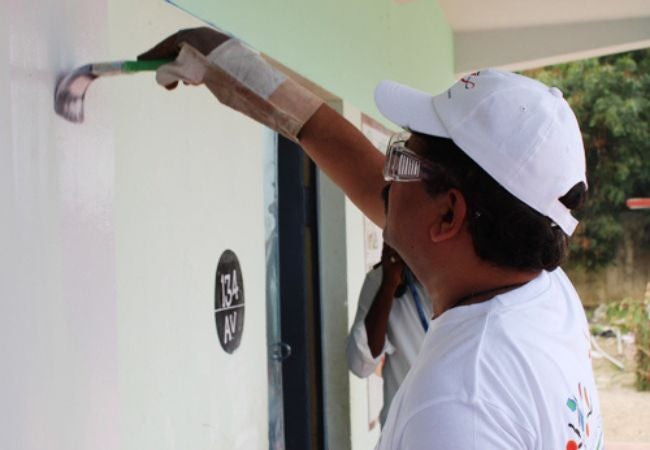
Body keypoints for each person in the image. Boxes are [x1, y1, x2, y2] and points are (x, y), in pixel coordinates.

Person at [139, 27, 604, 449]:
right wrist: (226, 60)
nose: (386, 175)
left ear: (447, 214)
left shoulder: (458, 410)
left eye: (402, 161)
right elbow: (346, 156)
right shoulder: (543, 292)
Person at [346, 243, 431, 426]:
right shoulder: (381, 279)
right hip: (407, 430)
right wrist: (388, 285)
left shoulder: (467, 279)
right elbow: (360, 364)